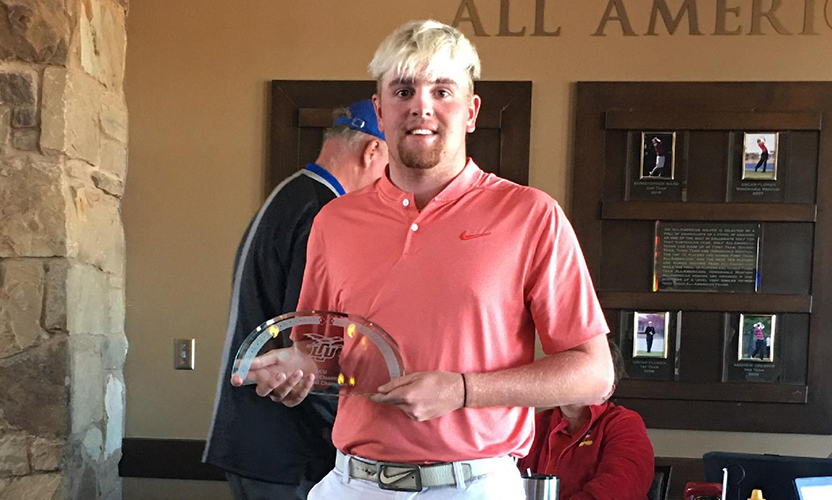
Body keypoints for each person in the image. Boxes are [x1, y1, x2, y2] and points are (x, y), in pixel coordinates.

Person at [234, 20, 614, 500]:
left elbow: (594, 374)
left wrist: (462, 390)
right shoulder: (335, 220)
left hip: (473, 484)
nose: (421, 106)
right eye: (403, 89)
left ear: (471, 111)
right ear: (380, 109)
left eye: (442, 90)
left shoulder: (531, 215)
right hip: (352, 483)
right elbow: (324, 353)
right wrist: (296, 367)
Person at [204, 100, 388, 500]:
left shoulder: (290, 195)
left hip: (258, 439)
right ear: (372, 152)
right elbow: (310, 348)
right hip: (289, 450)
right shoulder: (325, 215)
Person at [518, 341, 655, 500]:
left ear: (608, 390)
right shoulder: (535, 423)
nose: (571, 379)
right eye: (565, 369)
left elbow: (617, 490)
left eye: (585, 374)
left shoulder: (624, 423)